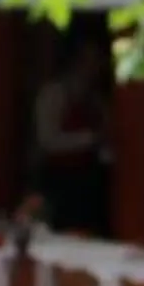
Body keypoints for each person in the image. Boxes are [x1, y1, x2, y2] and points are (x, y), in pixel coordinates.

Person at [30, 42, 110, 233]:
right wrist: (92, 138)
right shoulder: (53, 93)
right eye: (88, 60)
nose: (94, 66)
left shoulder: (95, 98)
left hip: (88, 180)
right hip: (58, 180)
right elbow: (47, 140)